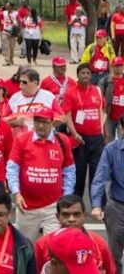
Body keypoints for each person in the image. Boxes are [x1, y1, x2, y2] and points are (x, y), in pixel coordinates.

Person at [6, 106, 75, 242]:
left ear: (52, 122)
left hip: (53, 206)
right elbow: (12, 168)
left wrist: (66, 197)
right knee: (25, 248)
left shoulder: (62, 141)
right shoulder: (22, 140)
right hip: (27, 206)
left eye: (44, 122)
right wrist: (16, 193)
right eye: (37, 121)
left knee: (54, 246)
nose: (40, 126)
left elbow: (69, 170)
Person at [33, 195, 115, 273]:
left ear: (84, 216)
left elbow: (110, 270)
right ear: (57, 217)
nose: (71, 219)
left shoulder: (98, 243)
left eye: (76, 214)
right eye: (65, 215)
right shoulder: (43, 244)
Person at [63, 64, 105, 206]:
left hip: (97, 139)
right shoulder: (70, 92)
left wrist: (103, 133)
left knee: (97, 174)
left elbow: (102, 111)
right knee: (79, 174)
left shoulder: (97, 91)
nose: (86, 75)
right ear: (78, 75)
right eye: (83, 73)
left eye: (88, 73)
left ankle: (98, 204)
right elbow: (67, 115)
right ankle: (77, 204)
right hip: (79, 139)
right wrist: (74, 134)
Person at [91, 115, 124, 272]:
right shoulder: (111, 150)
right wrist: (96, 205)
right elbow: (99, 179)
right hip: (117, 208)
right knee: (114, 256)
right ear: (122, 130)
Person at [6, 68, 62, 136]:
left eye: (24, 82)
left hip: (44, 140)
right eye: (19, 81)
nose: (20, 84)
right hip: (21, 142)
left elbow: (62, 118)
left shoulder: (48, 96)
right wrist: (15, 122)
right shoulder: (14, 98)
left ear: (35, 82)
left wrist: (45, 125)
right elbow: (2, 122)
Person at [99, 57, 124, 143]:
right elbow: (98, 97)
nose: (119, 68)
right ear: (112, 67)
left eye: (121, 65)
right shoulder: (105, 81)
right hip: (109, 117)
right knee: (108, 142)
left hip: (122, 118)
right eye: (117, 66)